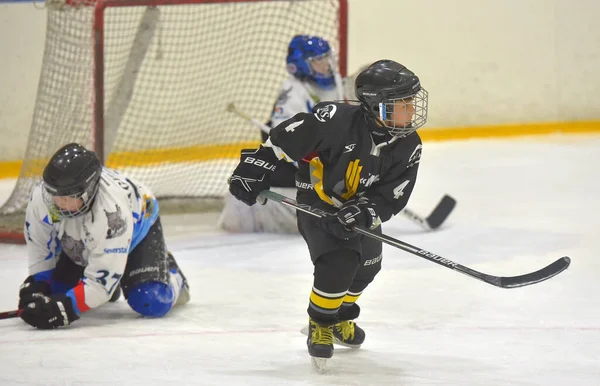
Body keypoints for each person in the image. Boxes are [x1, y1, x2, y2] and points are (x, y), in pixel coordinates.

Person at [227, 60, 428, 368]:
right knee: (339, 262)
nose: (411, 110)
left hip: (359, 209)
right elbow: (288, 135)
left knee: (368, 267)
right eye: (402, 103)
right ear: (377, 106)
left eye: (411, 102)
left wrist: (365, 211)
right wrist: (258, 164)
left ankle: (340, 318)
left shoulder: (409, 144)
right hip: (319, 203)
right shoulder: (337, 119)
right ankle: (320, 323)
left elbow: (392, 195)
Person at [18, 143, 190, 329]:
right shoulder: (42, 198)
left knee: (150, 299)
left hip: (137, 231)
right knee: (54, 292)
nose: (58, 203)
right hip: (85, 241)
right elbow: (41, 248)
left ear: (89, 190)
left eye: (67, 196)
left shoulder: (112, 212)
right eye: (54, 194)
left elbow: (100, 285)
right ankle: (115, 275)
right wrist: (38, 284)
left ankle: (172, 273)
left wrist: (67, 307)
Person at [218, 34, 344, 234]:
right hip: (294, 168)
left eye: (327, 58)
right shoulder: (293, 92)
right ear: (302, 65)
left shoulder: (335, 82)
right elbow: (288, 140)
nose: (327, 65)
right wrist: (318, 170)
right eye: (319, 61)